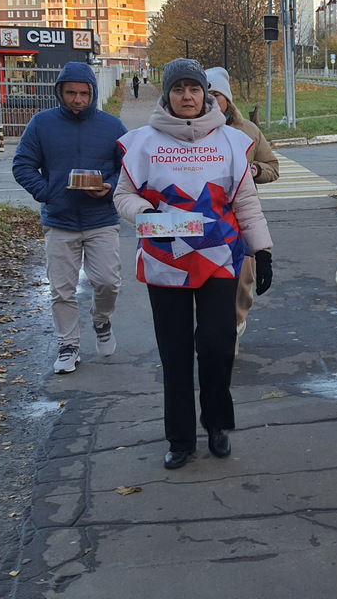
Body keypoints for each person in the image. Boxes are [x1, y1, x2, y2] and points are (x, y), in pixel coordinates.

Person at [113, 58, 274, 470]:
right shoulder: (142, 142)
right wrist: (143, 214)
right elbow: (124, 195)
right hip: (165, 259)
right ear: (167, 94)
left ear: (206, 95)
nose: (188, 96)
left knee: (218, 346)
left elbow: (246, 203)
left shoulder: (231, 142)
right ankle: (180, 437)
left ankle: (217, 424)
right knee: (176, 351)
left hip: (219, 258)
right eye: (179, 88)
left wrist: (263, 250)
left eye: (195, 88)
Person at [12, 62, 126, 375]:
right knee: (62, 289)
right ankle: (69, 345)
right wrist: (48, 192)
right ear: (60, 93)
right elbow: (22, 165)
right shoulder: (41, 124)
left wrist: (109, 187)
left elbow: (129, 168)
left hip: (101, 218)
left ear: (93, 93)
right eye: (71, 93)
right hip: (59, 220)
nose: (77, 99)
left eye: (84, 93)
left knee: (108, 282)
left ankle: (101, 319)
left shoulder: (112, 127)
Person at [206, 66, 280, 345]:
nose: (211, 101)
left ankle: (236, 321)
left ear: (228, 100)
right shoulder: (191, 132)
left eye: (217, 95)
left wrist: (254, 171)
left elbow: (272, 167)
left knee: (242, 285)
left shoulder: (248, 132)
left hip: (242, 221)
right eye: (207, 95)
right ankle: (219, 337)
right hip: (208, 219)